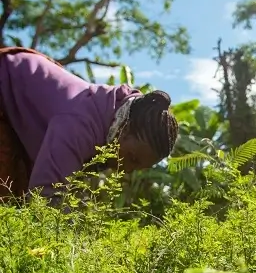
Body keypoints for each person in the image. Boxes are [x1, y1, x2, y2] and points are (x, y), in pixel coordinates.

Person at [0, 47, 179, 202]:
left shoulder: (116, 113)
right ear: (123, 130)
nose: (127, 170)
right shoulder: (79, 126)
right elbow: (46, 198)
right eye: (132, 159)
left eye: (137, 168)